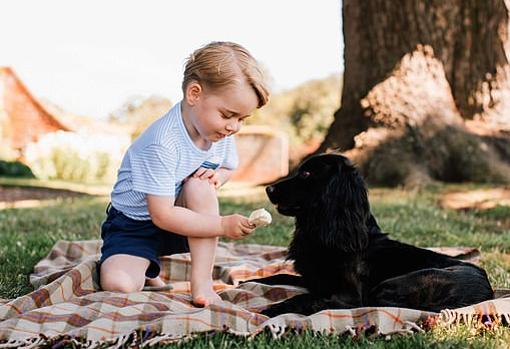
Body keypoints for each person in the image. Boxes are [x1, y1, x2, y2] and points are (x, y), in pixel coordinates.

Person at [97, 41, 270, 307]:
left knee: (200, 187)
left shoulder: (218, 131)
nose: (234, 126)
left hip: (182, 219)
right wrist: (223, 225)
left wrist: (217, 178)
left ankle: (201, 285)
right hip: (135, 225)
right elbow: (161, 214)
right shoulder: (162, 142)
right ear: (194, 93)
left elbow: (226, 167)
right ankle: (142, 264)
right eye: (228, 115)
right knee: (119, 285)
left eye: (242, 119)